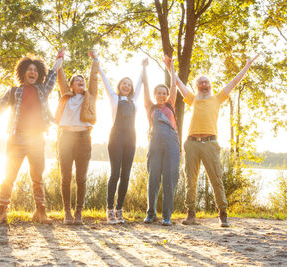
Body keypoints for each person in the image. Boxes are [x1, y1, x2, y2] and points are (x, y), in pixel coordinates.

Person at [166, 54, 259, 227]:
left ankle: (222, 213)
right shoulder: (192, 99)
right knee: (190, 180)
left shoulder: (217, 98)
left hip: (210, 143)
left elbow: (234, 81)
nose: (203, 84)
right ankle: (191, 214)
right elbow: (178, 83)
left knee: (216, 179)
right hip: (192, 143)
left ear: (210, 85)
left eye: (206, 81)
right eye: (200, 82)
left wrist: (247, 66)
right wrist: (169, 66)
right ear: (196, 86)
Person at [0, 50, 64, 224]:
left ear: (38, 73)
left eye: (35, 70)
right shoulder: (14, 92)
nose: (33, 72)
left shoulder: (43, 89)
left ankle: (41, 212)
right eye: (29, 69)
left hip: (36, 139)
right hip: (16, 139)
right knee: (8, 176)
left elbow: (53, 74)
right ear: (23, 72)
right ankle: (1, 212)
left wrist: (59, 59)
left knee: (38, 178)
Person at [54, 50, 99, 225]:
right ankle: (67, 212)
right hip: (66, 138)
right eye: (77, 81)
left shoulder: (90, 96)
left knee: (81, 178)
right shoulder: (66, 95)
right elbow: (60, 77)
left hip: (83, 138)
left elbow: (93, 78)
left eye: (83, 81)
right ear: (71, 86)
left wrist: (95, 60)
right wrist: (60, 60)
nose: (81, 82)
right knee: (65, 177)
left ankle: (78, 212)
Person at [97, 57, 142, 224]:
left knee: (126, 175)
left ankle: (119, 209)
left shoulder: (134, 101)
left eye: (129, 85)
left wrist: (143, 68)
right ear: (120, 86)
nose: (127, 86)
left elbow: (140, 84)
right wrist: (97, 64)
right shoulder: (114, 99)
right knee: (115, 173)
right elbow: (105, 81)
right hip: (115, 138)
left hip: (131, 139)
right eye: (124, 83)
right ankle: (109, 210)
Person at [142, 56, 180, 226]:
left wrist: (170, 67)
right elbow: (145, 87)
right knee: (153, 179)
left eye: (164, 93)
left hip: (172, 145)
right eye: (158, 93)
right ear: (155, 95)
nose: (161, 95)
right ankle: (151, 214)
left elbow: (173, 85)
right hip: (155, 144)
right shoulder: (150, 106)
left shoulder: (171, 104)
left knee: (169, 180)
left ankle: (167, 216)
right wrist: (144, 68)